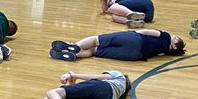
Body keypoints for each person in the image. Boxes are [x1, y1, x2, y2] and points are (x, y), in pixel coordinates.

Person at [50, 30, 185, 62]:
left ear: (174, 46)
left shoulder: (166, 36)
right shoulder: (162, 53)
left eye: (176, 39)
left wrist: (132, 33)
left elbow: (148, 32)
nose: (173, 36)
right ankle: (75, 55)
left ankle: (75, 46)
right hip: (135, 56)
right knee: (95, 51)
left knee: (96, 40)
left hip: (135, 39)